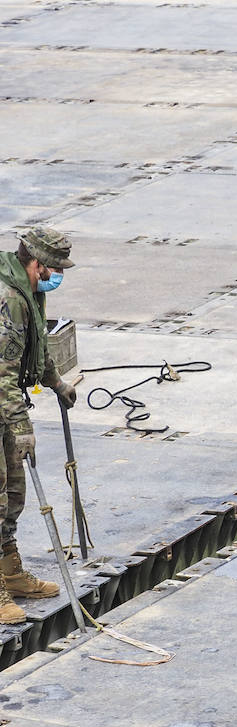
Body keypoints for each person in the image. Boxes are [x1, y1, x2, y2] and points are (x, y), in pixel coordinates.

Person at [0, 227, 79, 626]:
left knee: (14, 494)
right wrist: (21, 425)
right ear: (37, 263)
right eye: (53, 268)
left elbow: (37, 344)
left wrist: (56, 382)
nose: (56, 275)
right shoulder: (8, 298)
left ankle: (10, 571)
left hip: (5, 402)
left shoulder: (30, 289)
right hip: (3, 399)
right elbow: (2, 371)